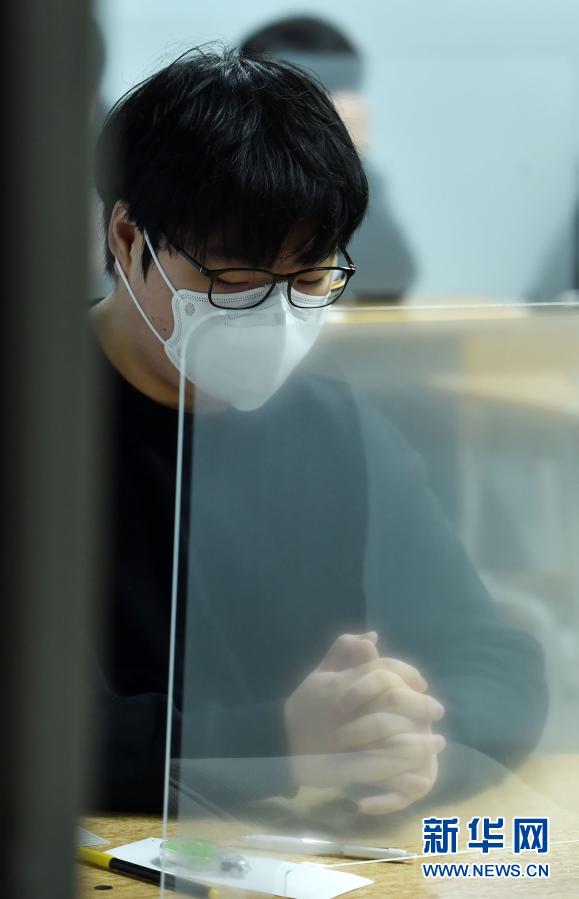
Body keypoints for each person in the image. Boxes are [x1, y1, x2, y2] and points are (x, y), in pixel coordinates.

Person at [90, 45, 547, 816]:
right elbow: (41, 730)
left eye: (308, 281)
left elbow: (496, 659)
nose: (274, 318)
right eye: (234, 282)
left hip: (314, 846)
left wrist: (418, 743)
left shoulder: (335, 429)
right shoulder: (43, 427)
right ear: (129, 239)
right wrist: (277, 741)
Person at [240, 15, 417, 302]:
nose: (349, 106)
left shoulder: (362, 178)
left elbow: (392, 276)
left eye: (350, 88)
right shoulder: (245, 178)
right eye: (330, 89)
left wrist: (350, 165)